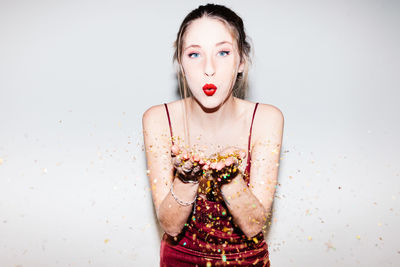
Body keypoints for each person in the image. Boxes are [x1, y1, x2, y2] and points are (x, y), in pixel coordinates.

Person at [142, 3, 284, 266]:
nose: (209, 68)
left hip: (246, 261)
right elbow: (171, 226)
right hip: (179, 259)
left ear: (241, 61)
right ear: (181, 65)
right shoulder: (158, 120)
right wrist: (186, 179)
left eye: (223, 52)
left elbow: (253, 226)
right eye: (194, 54)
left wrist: (230, 179)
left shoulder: (266, 119)